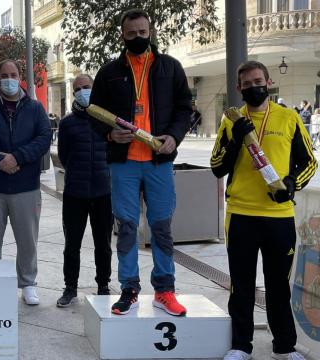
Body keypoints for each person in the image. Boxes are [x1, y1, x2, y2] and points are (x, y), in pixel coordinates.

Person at [211, 61, 317, 360]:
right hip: (241, 213)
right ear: (238, 88)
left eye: (259, 81)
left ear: (268, 82)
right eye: (247, 84)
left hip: (279, 216)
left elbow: (309, 161)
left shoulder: (289, 117)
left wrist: (292, 183)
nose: (254, 87)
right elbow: (217, 167)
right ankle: (241, 346)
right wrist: (235, 137)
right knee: (241, 285)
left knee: (278, 285)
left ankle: (284, 347)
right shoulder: (231, 120)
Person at [90, 8, 191, 316]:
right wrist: (110, 135)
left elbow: (185, 108)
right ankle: (129, 289)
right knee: (127, 227)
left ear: (151, 32)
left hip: (159, 161)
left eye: (142, 33)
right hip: (124, 164)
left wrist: (174, 137)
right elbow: (93, 113)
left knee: (161, 227)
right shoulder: (109, 72)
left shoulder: (171, 68)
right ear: (123, 34)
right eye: (131, 33)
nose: (137, 38)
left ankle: (164, 290)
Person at [0, 59, 51, 305]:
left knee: (28, 240)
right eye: (4, 74)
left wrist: (18, 157)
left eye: (13, 74)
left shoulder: (35, 108)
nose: (9, 79)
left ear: (20, 76)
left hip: (26, 186)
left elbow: (44, 137)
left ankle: (27, 283)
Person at [56, 74, 112, 307]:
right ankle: (70, 287)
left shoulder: (108, 120)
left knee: (104, 244)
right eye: (78, 89)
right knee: (72, 245)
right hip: (74, 194)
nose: (83, 91)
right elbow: (63, 156)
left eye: (87, 87)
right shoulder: (67, 123)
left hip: (103, 193)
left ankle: (103, 286)